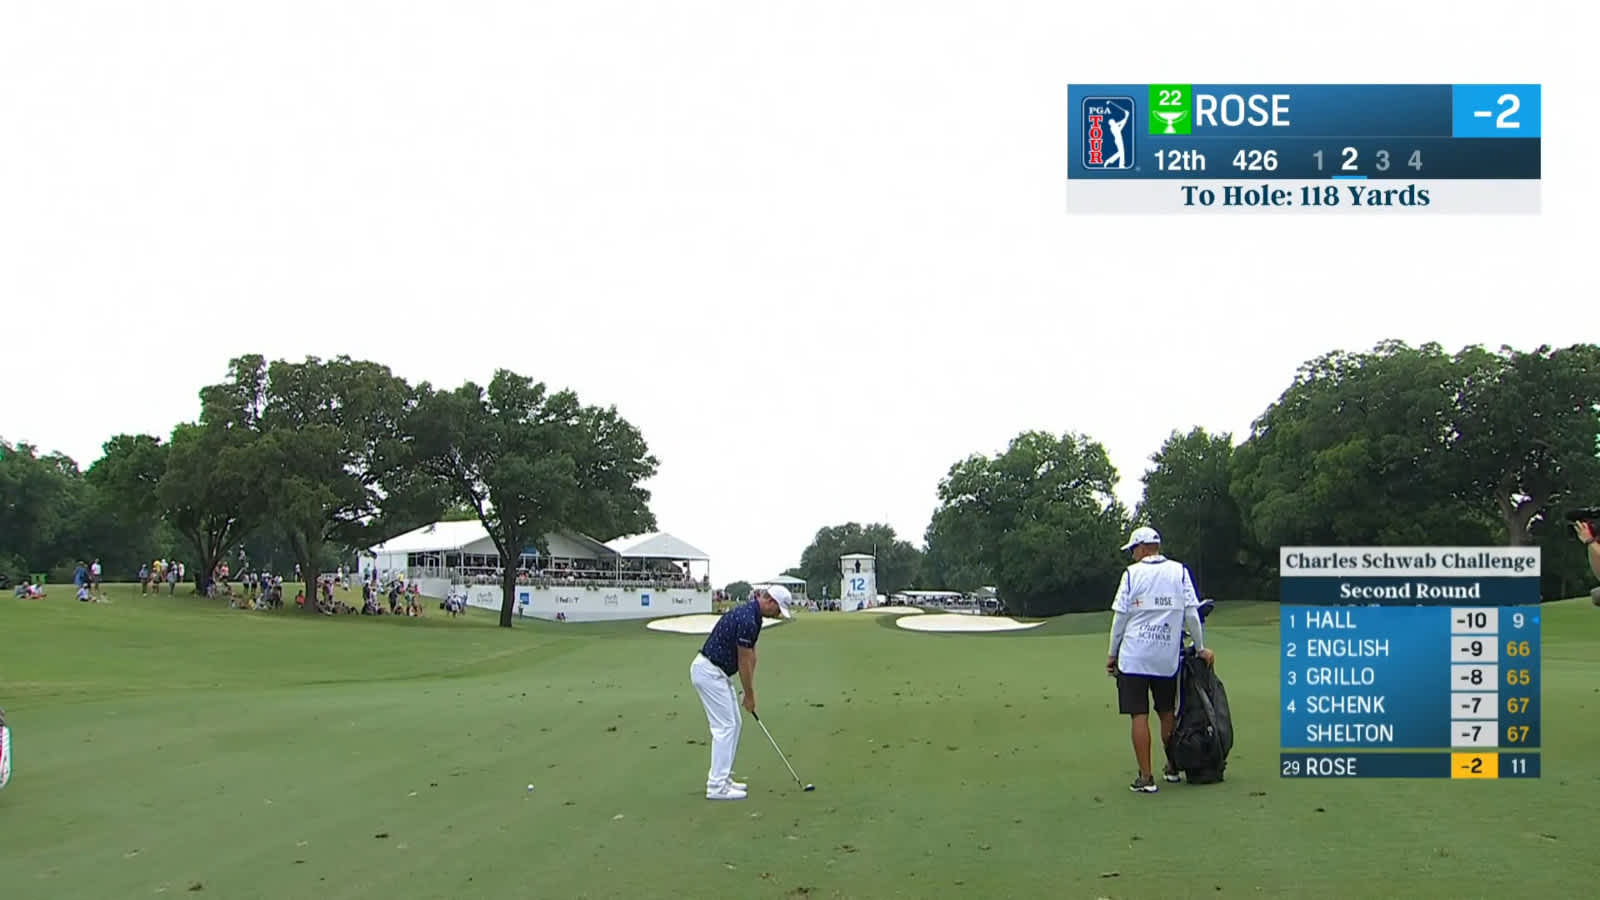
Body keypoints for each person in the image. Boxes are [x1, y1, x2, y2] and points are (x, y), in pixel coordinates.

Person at [1105, 526, 1214, 793]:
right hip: (1166, 656)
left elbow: (1120, 618)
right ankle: (1173, 768)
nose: (1132, 555)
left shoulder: (1131, 574)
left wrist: (1112, 653)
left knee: (1138, 715)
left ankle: (1146, 777)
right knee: (1167, 712)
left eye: (1133, 550)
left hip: (1133, 657)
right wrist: (1200, 648)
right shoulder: (1179, 572)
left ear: (1142, 548)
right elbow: (1192, 614)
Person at [689, 584, 792, 800]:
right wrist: (749, 694)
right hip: (709, 672)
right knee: (725, 727)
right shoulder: (747, 619)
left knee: (733, 724)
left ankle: (723, 778)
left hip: (717, 674)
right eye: (778, 609)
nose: (778, 614)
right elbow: (743, 660)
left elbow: (752, 656)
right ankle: (716, 786)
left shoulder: (755, 618)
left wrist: (749, 691)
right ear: (770, 601)